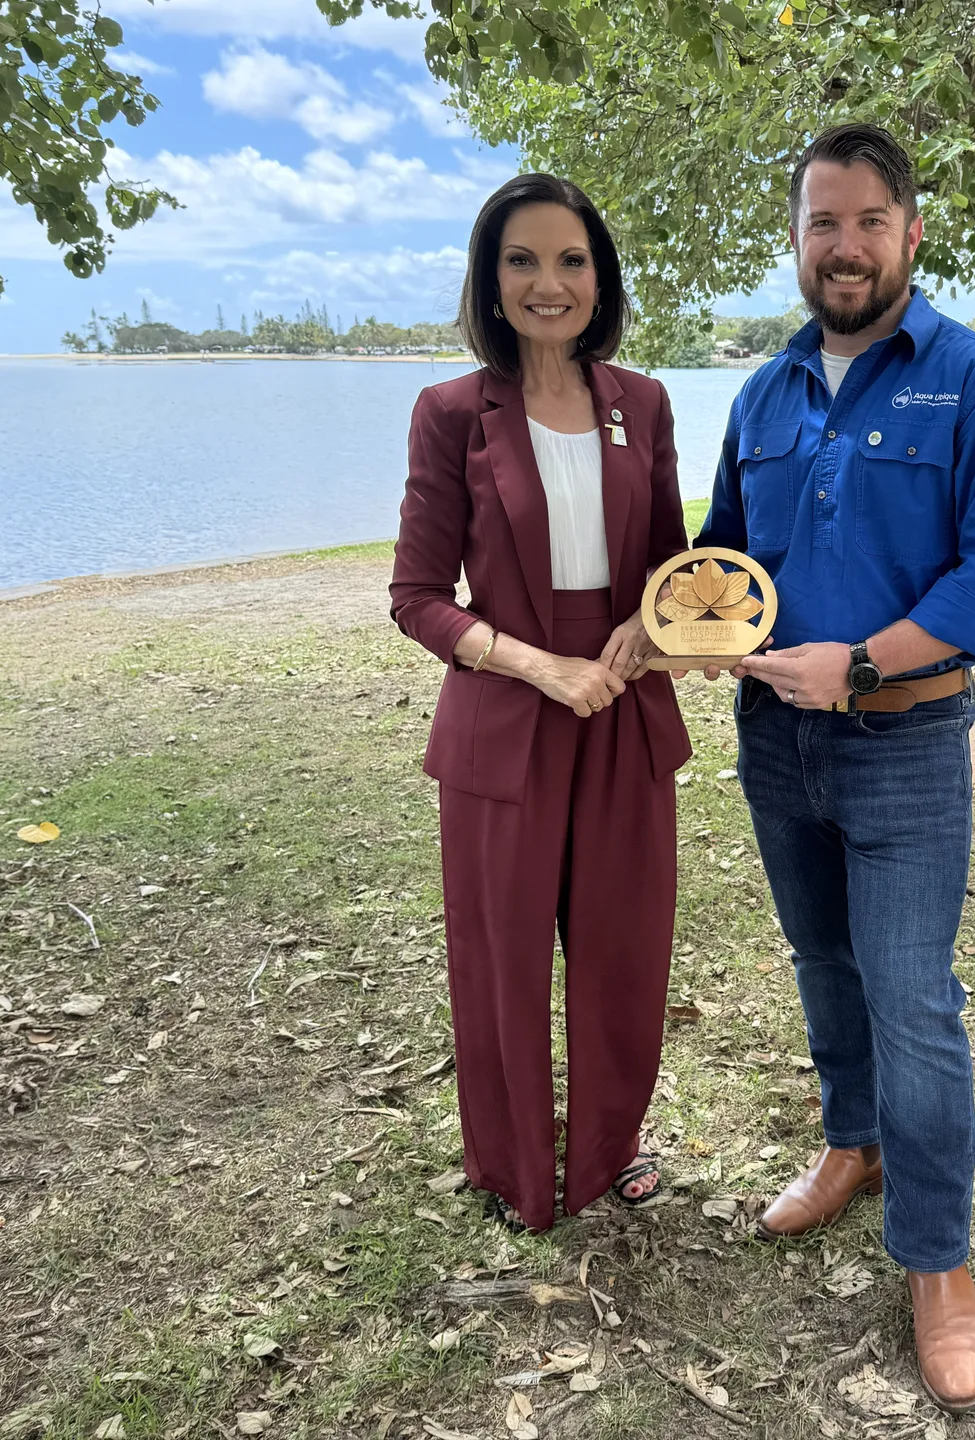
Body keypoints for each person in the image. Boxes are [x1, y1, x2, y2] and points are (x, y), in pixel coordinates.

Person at [696, 124, 975, 1413]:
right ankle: (850, 1144)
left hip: (904, 741)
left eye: (866, 222)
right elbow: (724, 557)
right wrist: (694, 629)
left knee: (913, 998)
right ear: (796, 239)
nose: (842, 246)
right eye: (819, 223)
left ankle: (939, 1262)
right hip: (773, 743)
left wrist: (856, 665)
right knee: (822, 963)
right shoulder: (764, 394)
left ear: (912, 231)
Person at [389, 174, 691, 1233]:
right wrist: (536, 664)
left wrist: (653, 629)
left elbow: (671, 565)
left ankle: (607, 1155)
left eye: (570, 260)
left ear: (599, 277)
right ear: (490, 278)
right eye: (522, 260)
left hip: (623, 713)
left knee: (623, 954)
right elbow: (416, 598)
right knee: (501, 958)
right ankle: (517, 1169)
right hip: (506, 723)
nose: (548, 282)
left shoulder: (642, 403)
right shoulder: (449, 414)